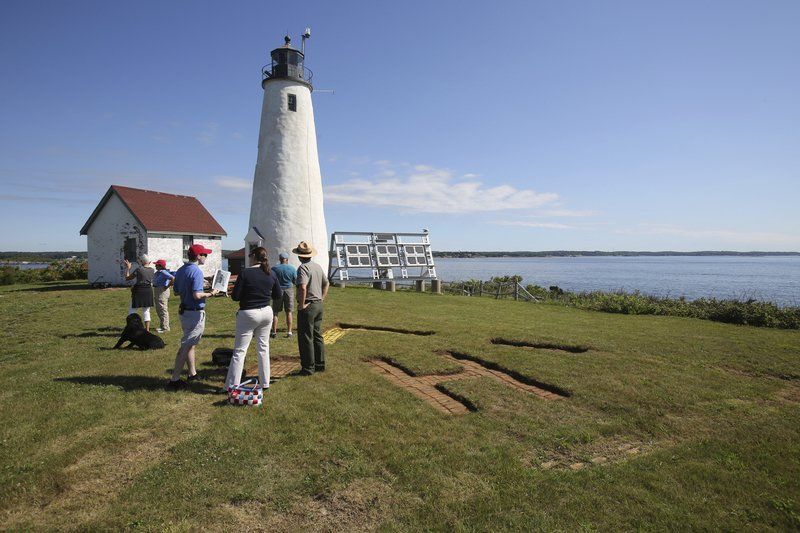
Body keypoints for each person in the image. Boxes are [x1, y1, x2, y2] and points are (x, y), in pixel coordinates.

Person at [224, 247, 282, 391]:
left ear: (254, 257)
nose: (249, 257)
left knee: (240, 351)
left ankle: (232, 385)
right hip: (266, 312)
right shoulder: (271, 273)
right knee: (263, 348)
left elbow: (236, 296)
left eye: (250, 255)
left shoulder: (246, 273)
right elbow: (278, 295)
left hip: (249, 313)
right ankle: (265, 383)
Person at [167, 244, 217, 390]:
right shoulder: (196, 272)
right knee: (186, 345)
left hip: (184, 311)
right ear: (198, 256)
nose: (206, 257)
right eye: (205, 255)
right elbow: (197, 295)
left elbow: (176, 291)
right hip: (194, 312)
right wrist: (211, 293)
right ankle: (174, 380)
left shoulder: (181, 270)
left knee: (190, 344)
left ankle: (192, 373)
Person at [293, 241, 329, 375]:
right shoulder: (318, 266)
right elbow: (326, 283)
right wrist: (322, 298)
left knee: (305, 337)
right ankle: (320, 364)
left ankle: (308, 368)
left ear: (299, 256)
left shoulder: (303, 268)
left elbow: (302, 287)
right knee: (317, 335)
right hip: (318, 304)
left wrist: (301, 305)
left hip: (308, 305)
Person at [124, 254, 155, 331]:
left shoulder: (138, 270)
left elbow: (127, 278)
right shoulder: (152, 270)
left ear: (141, 261)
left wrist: (128, 268)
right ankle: (147, 330)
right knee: (146, 311)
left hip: (139, 290)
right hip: (148, 290)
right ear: (149, 262)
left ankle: (130, 329)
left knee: (132, 310)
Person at [270, 252, 297, 338]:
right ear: (287, 260)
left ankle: (274, 332)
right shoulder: (292, 268)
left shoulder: (274, 268)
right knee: (288, 312)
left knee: (275, 312)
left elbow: (271, 280)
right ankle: (289, 332)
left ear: (280, 259)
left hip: (278, 290)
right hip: (289, 290)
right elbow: (295, 281)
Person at [152, 259, 174, 333]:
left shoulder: (164, 272)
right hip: (157, 290)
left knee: (162, 309)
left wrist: (167, 286)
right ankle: (162, 326)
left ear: (160, 266)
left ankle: (165, 328)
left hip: (162, 291)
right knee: (159, 309)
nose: (155, 265)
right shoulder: (158, 272)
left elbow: (172, 278)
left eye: (157, 265)